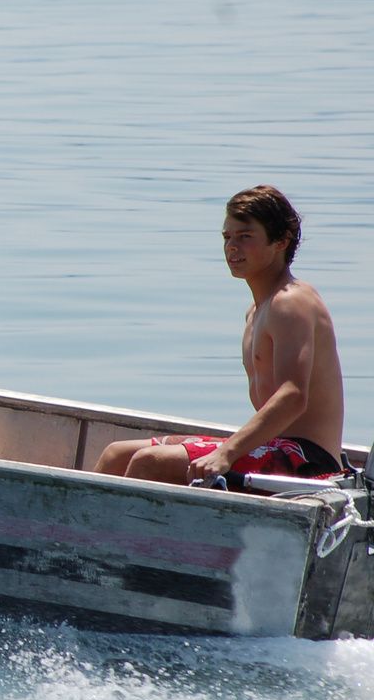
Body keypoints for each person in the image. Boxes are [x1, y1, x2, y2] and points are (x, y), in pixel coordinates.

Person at [93, 186, 344, 485]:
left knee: (150, 463)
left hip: (309, 461)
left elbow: (293, 397)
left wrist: (226, 453)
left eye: (245, 236)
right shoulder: (257, 310)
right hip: (274, 448)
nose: (232, 247)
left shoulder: (291, 301)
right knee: (115, 454)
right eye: (227, 237)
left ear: (280, 241)